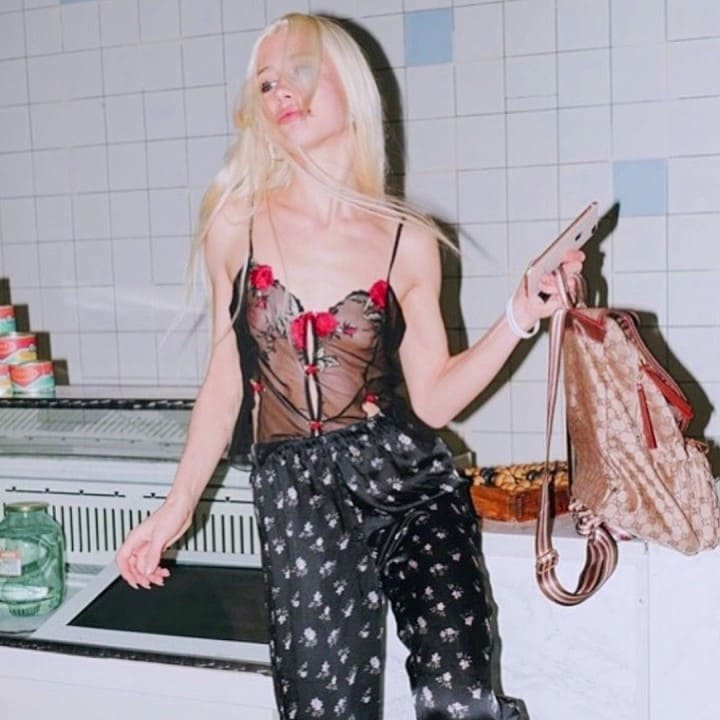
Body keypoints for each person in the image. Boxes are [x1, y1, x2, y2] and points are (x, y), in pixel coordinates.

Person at [116, 12, 583, 720]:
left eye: (299, 71)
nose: (280, 91)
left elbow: (432, 401)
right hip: (299, 498)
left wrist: (519, 316)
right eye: (265, 83)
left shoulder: (408, 238)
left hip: (411, 484)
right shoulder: (235, 224)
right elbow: (225, 380)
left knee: (461, 698)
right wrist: (176, 507)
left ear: (350, 86)